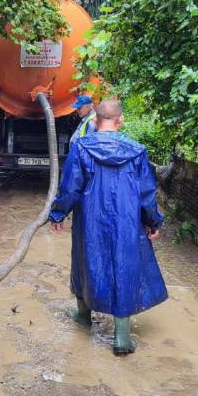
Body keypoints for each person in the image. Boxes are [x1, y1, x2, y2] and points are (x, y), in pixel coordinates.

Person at [49, 99, 167, 355]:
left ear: (94, 121)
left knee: (85, 260)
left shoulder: (81, 148)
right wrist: (152, 221)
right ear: (120, 120)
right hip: (127, 221)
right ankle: (122, 337)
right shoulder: (136, 151)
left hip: (90, 219)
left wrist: (58, 214)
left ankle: (83, 316)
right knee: (123, 267)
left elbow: (70, 187)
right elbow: (147, 192)